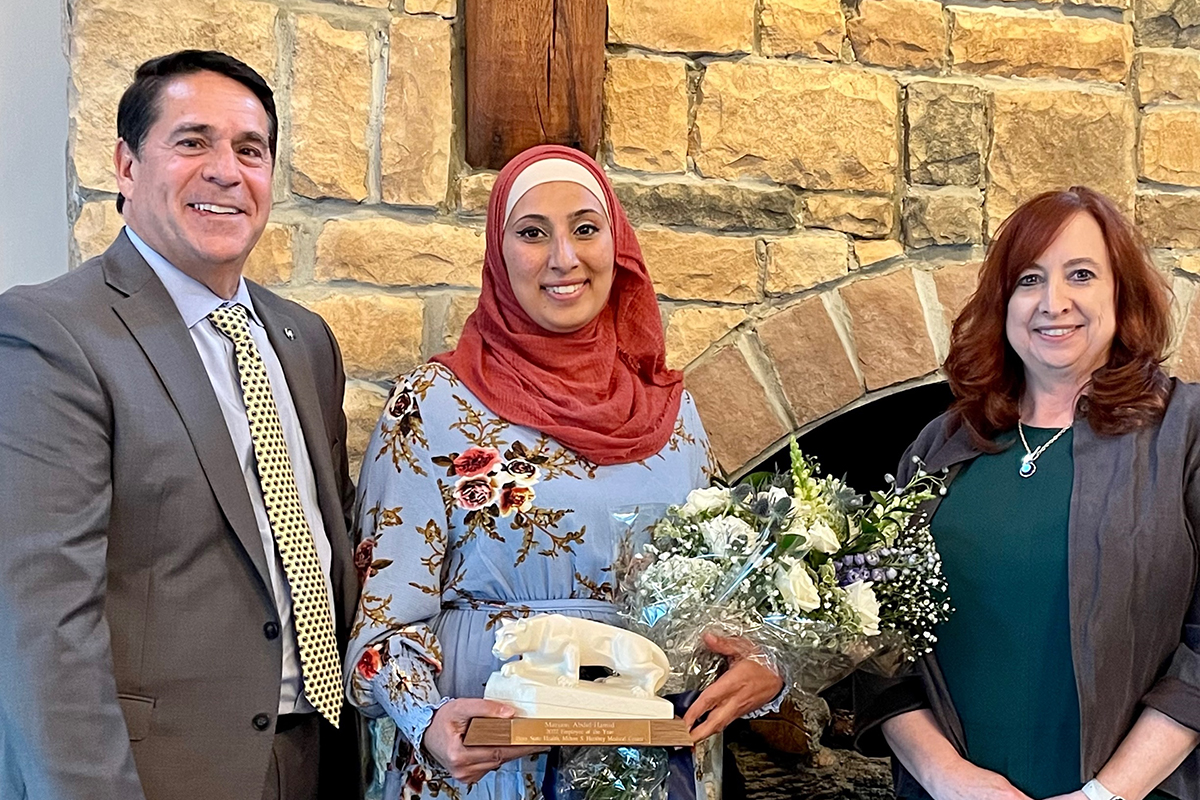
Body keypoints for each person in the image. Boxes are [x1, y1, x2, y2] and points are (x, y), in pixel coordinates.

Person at [344, 144, 784, 799]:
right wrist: (426, 718)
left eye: (585, 228)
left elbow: (728, 584)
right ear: (498, 252)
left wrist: (767, 658)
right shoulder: (431, 406)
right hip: (491, 770)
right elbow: (382, 628)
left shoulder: (674, 409)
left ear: (618, 244)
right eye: (531, 233)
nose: (563, 258)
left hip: (655, 769)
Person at [0, 50, 359, 800]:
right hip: (158, 774)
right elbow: (41, 627)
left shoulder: (305, 340)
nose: (227, 171)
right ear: (127, 166)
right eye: (193, 141)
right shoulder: (52, 332)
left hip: (318, 759)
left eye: (250, 149)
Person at [854, 186, 1200, 800]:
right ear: (1003, 301)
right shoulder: (942, 442)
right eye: (1030, 279)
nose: (1053, 302)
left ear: (1122, 292)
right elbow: (875, 649)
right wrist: (948, 779)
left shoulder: (1187, 433)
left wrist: (1105, 796)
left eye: (1082, 274)